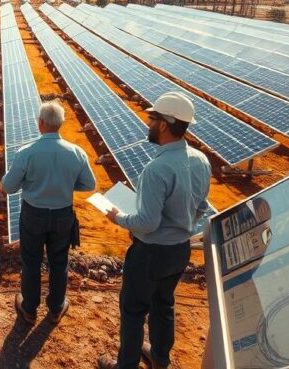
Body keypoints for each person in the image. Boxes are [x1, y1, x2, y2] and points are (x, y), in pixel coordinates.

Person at [98, 92, 211, 369]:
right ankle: (160, 358)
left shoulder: (156, 169)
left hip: (149, 253)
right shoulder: (200, 160)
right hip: (179, 251)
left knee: (134, 311)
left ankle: (126, 366)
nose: (147, 122)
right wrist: (182, 225)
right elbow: (203, 206)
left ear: (164, 124)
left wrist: (119, 217)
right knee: (164, 303)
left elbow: (147, 222)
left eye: (152, 118)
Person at [1, 100, 97, 325]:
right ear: (61, 123)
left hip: (33, 215)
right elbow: (89, 184)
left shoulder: (27, 152)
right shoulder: (77, 152)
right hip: (63, 215)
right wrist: (64, 185)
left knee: (31, 260)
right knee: (59, 261)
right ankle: (55, 308)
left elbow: (8, 187)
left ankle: (29, 309)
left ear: (40, 123)